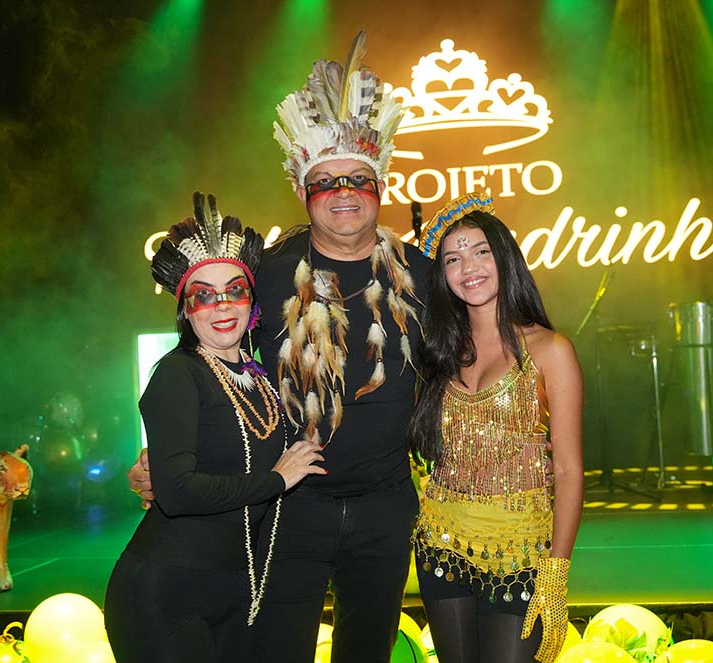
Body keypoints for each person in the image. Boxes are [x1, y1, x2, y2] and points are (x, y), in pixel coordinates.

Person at [129, 32, 429, 662]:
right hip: (289, 505)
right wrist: (166, 452)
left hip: (386, 506)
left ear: (380, 186)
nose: (344, 192)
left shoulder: (423, 276)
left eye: (359, 179)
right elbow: (210, 361)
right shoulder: (265, 275)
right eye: (326, 182)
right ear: (301, 191)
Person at [105, 193, 326, 663]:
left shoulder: (262, 379)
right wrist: (276, 479)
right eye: (203, 295)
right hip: (165, 599)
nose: (221, 306)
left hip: (237, 597)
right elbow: (178, 492)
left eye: (234, 291)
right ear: (186, 309)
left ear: (252, 301)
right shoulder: (178, 373)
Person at [407, 194, 584, 663]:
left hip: (520, 557)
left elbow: (568, 471)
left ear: (504, 257)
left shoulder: (550, 350)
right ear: (442, 276)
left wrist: (556, 572)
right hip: (441, 549)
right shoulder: (437, 351)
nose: (469, 267)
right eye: (453, 258)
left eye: (481, 251)